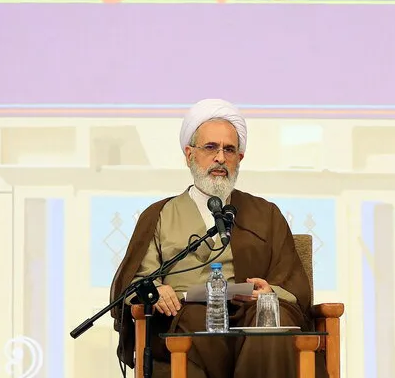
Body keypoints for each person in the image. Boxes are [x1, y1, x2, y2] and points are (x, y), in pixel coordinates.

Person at [109, 99, 328, 378]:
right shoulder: (160, 215)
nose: (221, 158)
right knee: (197, 321)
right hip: (188, 317)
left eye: (229, 149)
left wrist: (270, 292)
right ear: (189, 154)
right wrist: (156, 290)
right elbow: (136, 282)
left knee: (271, 320)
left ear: (240, 158)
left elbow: (293, 284)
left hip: (252, 317)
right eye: (211, 147)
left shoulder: (266, 214)